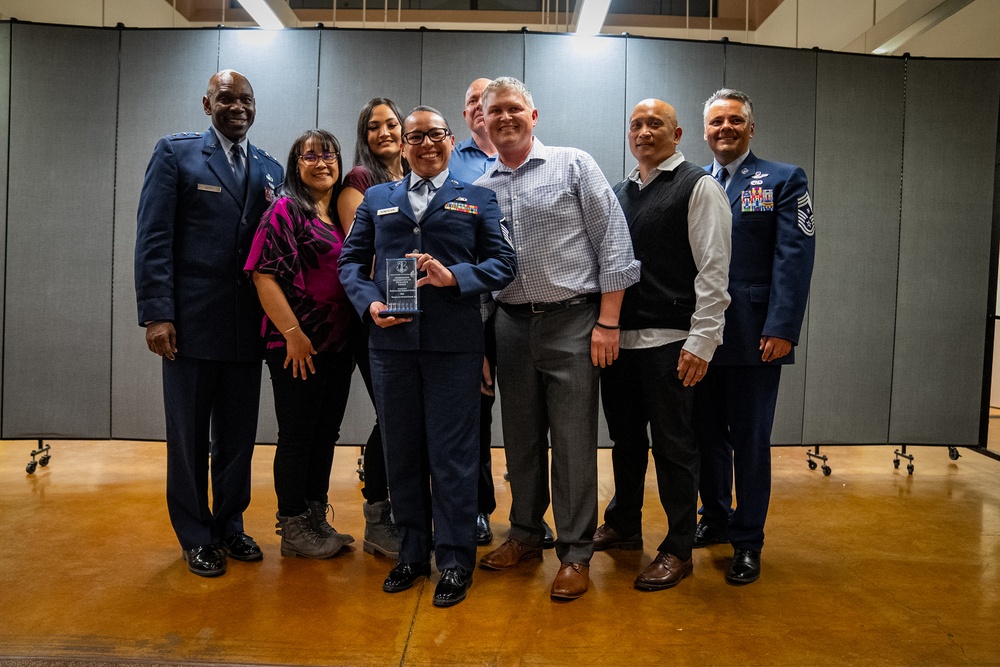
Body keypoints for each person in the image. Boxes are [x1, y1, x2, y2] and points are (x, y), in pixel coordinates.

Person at [339, 106, 516, 607]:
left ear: (449, 138)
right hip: (392, 347)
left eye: (435, 135)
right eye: (414, 137)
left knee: (454, 457)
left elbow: (505, 262)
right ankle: (413, 554)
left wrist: (455, 277)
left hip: (453, 348)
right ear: (405, 146)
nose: (425, 144)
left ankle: (456, 560)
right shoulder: (377, 198)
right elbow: (350, 261)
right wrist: (370, 301)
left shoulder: (479, 199)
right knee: (403, 453)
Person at [476, 77, 640, 601]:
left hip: (572, 320)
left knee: (571, 442)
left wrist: (608, 322)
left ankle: (574, 553)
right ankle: (524, 534)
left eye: (513, 108)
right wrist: (483, 345)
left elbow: (614, 243)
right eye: (493, 110)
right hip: (509, 324)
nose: (504, 118)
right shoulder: (481, 188)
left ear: (533, 113)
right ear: (481, 120)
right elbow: (480, 275)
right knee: (519, 438)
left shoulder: (574, 164)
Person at [134, 70, 284, 577]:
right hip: (191, 327)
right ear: (206, 104)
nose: (237, 107)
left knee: (238, 438)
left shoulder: (268, 168)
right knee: (190, 437)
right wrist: (157, 314)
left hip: (248, 329)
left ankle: (229, 526)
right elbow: (154, 238)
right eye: (226, 99)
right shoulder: (176, 155)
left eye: (246, 99)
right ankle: (196, 534)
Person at [593, 99, 731, 591]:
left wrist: (702, 341)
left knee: (674, 447)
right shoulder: (619, 192)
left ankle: (677, 546)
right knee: (626, 443)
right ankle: (625, 524)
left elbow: (715, 270)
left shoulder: (699, 187)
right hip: (620, 344)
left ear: (677, 134)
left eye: (656, 124)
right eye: (637, 124)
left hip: (673, 343)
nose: (645, 132)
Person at [694, 88, 816, 585]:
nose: (725, 128)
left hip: (753, 334)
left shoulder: (785, 179)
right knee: (704, 437)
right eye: (717, 121)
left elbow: (794, 255)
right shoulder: (693, 181)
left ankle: (748, 541)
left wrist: (782, 328)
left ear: (750, 127)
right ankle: (716, 517)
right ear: (704, 131)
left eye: (735, 120)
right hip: (699, 334)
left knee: (749, 440)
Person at [245, 129, 355, 559]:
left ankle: (314, 516)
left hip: (336, 344)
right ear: (296, 165)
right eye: (310, 156)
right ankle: (292, 525)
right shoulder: (286, 209)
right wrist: (293, 335)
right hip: (297, 344)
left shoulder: (339, 216)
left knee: (326, 433)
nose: (322, 162)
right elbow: (263, 274)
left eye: (329, 155)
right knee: (298, 435)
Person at [336, 98, 409, 560]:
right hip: (377, 316)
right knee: (392, 414)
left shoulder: (418, 178)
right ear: (364, 136)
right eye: (373, 126)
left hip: (418, 313)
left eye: (391, 124)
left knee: (406, 413)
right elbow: (363, 258)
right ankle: (377, 514)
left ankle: (405, 510)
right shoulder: (359, 183)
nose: (384, 132)